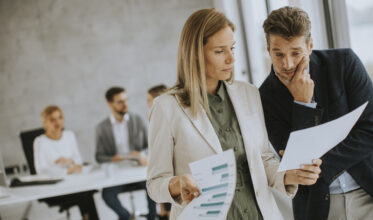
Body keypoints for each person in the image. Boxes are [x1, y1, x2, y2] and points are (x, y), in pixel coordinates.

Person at [147, 8, 322, 220]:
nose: (231, 59)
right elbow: (155, 184)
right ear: (195, 53)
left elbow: (264, 158)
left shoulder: (248, 93)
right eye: (220, 51)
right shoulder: (166, 107)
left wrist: (289, 175)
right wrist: (178, 183)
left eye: (232, 48)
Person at [259, 6, 373, 220]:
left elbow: (371, 133)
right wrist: (302, 104)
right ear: (268, 49)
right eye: (278, 54)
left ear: (310, 46)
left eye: (295, 52)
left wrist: (317, 162)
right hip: (321, 206)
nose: (287, 63)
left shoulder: (345, 63)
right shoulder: (265, 96)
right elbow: (296, 163)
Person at [95, 87, 156, 220]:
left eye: (126, 100)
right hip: (117, 173)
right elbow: (99, 156)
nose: (125, 104)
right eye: (120, 102)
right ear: (110, 104)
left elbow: (151, 146)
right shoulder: (102, 127)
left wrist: (141, 155)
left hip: (138, 170)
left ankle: (152, 217)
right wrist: (112, 159)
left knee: (154, 185)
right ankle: (126, 217)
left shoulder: (138, 120)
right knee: (107, 195)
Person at [34, 105, 99, 220]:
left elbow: (78, 161)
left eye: (60, 118)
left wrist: (70, 161)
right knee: (85, 193)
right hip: (55, 188)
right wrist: (66, 172)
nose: (57, 122)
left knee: (85, 190)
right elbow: (41, 170)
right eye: (52, 120)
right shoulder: (40, 142)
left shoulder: (69, 135)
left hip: (74, 183)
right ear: (45, 123)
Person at [146, 84, 171, 220]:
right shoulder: (154, 116)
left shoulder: (163, 117)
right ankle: (162, 212)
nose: (147, 103)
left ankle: (164, 213)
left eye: (149, 99)